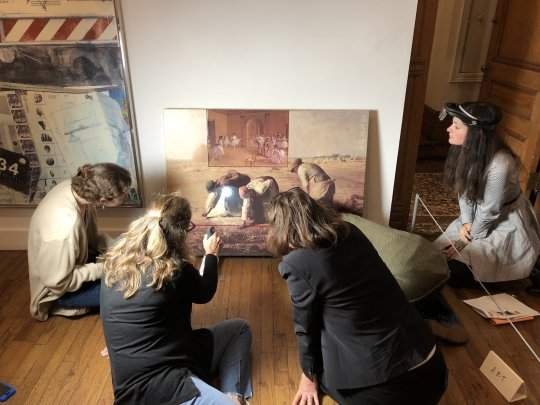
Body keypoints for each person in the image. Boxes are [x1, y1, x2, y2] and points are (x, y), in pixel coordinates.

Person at [266, 188, 447, 405]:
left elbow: (305, 327)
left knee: (327, 366)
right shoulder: (349, 230)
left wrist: (308, 375)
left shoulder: (296, 262)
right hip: (433, 366)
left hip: (391, 390)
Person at [100, 193, 252, 405]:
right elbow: (205, 291)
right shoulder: (174, 270)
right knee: (240, 331)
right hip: (162, 385)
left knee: (238, 329)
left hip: (136, 375)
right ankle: (232, 396)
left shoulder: (117, 258)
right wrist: (211, 255)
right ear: (183, 231)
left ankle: (231, 396)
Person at [433, 102, 540, 293]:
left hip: (502, 221)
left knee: (455, 271)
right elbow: (464, 193)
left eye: (456, 126)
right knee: (435, 259)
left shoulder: (501, 163)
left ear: (476, 135)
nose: (449, 129)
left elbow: (490, 211)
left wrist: (466, 240)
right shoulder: (464, 150)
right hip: (475, 218)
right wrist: (466, 223)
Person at [28, 163, 131, 321]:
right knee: (134, 288)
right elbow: (57, 282)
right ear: (103, 199)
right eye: (123, 193)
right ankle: (64, 306)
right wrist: (104, 268)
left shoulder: (79, 192)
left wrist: (119, 249)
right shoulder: (64, 225)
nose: (127, 194)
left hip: (78, 263)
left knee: (130, 257)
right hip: (60, 293)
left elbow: (90, 238)